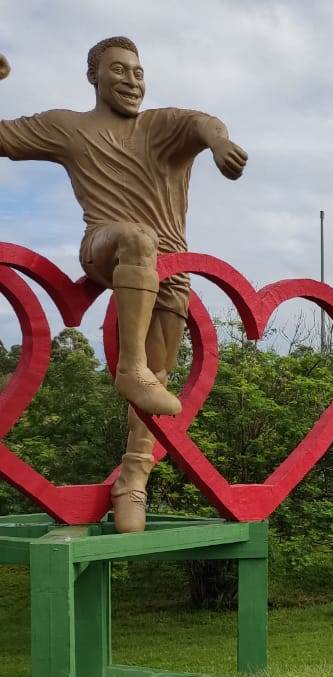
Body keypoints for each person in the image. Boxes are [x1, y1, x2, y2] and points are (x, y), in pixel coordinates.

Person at [0, 39, 248, 532]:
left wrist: (219, 142)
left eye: (138, 71)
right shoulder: (69, 128)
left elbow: (205, 122)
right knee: (138, 240)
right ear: (93, 76)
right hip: (105, 246)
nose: (132, 80)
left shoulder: (162, 126)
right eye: (118, 70)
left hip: (170, 273)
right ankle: (128, 367)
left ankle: (133, 478)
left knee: (161, 376)